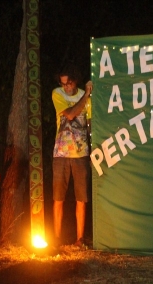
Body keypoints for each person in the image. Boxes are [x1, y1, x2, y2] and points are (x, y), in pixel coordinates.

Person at [52, 64, 93, 248]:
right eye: (63, 84)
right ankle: (56, 239)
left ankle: (80, 239)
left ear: (75, 80)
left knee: (81, 198)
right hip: (61, 153)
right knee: (58, 197)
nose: (66, 87)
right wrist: (85, 96)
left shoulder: (87, 97)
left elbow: (90, 123)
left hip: (81, 153)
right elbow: (68, 114)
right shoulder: (57, 94)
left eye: (69, 83)